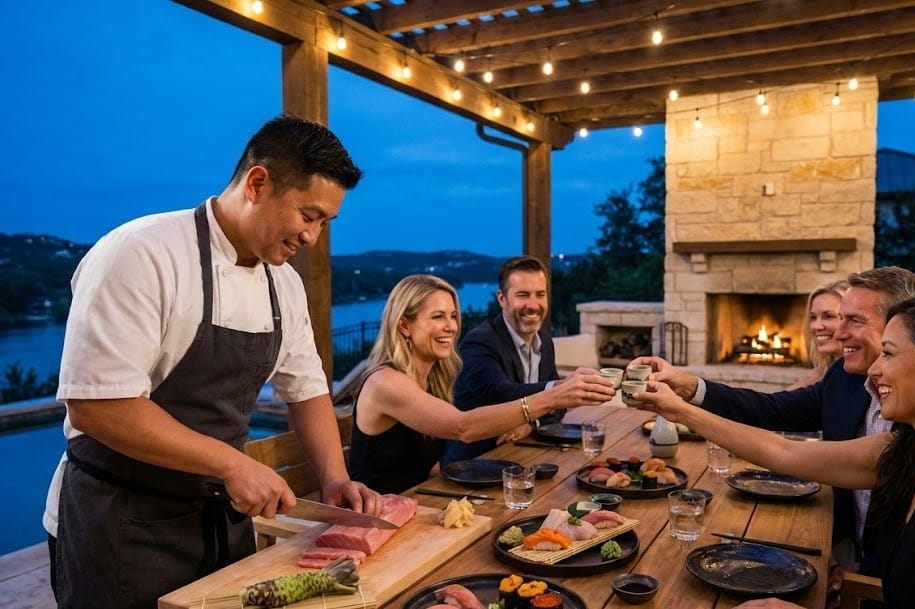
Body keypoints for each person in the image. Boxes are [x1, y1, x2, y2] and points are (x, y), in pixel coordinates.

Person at [43, 115, 381, 609]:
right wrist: (229, 462)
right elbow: (97, 406)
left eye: (325, 223)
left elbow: (307, 391)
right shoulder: (141, 253)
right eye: (309, 215)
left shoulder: (283, 283)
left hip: (223, 521)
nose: (314, 236)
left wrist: (333, 478)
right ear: (258, 183)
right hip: (119, 525)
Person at [636, 291, 915, 609]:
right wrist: (677, 407)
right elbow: (782, 453)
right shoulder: (905, 452)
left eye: (889, 354)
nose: (875, 371)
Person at [629, 266, 915, 578]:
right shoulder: (844, 377)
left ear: (902, 328)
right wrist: (689, 385)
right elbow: (771, 409)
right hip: (839, 544)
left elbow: (784, 453)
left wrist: (681, 412)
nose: (838, 333)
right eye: (839, 318)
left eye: (854, 320)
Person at [347, 274, 615, 494]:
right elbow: (463, 427)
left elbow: (426, 465)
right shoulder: (386, 382)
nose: (451, 326)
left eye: (453, 316)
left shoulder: (434, 380)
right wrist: (554, 396)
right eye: (438, 316)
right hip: (374, 523)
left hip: (418, 505)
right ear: (404, 325)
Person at [443, 255, 584, 465]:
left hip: (523, 458)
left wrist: (531, 422)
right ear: (502, 298)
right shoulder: (479, 342)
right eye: (523, 295)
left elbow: (558, 408)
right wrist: (560, 389)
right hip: (473, 464)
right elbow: (499, 393)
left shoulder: (544, 341)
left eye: (540, 294)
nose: (533, 305)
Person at [788, 280, 848, 390]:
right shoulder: (819, 375)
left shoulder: (867, 377)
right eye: (813, 318)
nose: (816, 326)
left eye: (828, 316)